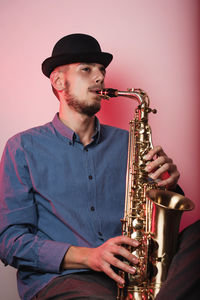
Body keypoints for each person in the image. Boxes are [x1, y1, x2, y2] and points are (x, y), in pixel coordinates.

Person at [0, 33, 198, 300]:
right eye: (87, 69)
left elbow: (154, 211)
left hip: (132, 271)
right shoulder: (22, 147)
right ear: (58, 81)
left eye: (102, 70)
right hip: (66, 280)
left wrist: (169, 183)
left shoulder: (128, 142)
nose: (99, 77)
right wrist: (90, 256)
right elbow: (10, 241)